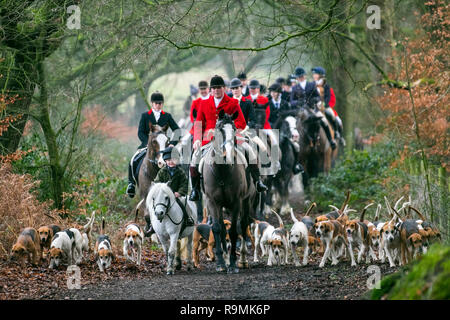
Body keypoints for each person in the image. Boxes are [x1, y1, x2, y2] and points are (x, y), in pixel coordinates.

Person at [189, 75, 267, 201]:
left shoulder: (233, 102)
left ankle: (258, 181)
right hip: (209, 139)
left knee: (250, 151)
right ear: (210, 90)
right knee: (194, 157)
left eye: (219, 87)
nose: (216, 90)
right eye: (213, 88)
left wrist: (231, 132)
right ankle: (195, 189)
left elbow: (241, 122)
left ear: (224, 88)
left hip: (230, 137)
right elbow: (198, 123)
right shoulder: (204, 103)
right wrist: (197, 139)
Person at [126, 91, 180, 198]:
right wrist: (148, 143)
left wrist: (172, 144)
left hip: (164, 147)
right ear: (152, 103)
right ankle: (131, 184)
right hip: (148, 145)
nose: (158, 105)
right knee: (133, 160)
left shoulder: (167, 116)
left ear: (162, 104)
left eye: (160, 103)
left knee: (178, 163)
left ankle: (179, 186)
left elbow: (177, 130)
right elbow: (140, 132)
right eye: (156, 103)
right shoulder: (145, 116)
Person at [290, 67, 336, 150]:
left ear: (304, 76)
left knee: (324, 121)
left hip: (312, 109)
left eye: (302, 76)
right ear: (297, 78)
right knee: (293, 124)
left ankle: (331, 140)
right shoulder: (294, 88)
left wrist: (315, 100)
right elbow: (292, 102)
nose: (300, 78)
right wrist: (298, 102)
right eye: (299, 77)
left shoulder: (311, 85)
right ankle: (293, 143)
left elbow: (317, 97)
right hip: (301, 110)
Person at [153, 147, 194, 225]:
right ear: (165, 161)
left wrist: (179, 192)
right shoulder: (162, 172)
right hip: (164, 195)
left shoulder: (180, 172)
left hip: (176, 195)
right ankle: (152, 223)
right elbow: (157, 182)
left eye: (173, 160)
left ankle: (188, 218)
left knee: (185, 203)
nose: (170, 162)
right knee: (156, 204)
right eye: (168, 160)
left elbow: (184, 184)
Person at [311, 67, 345, 146]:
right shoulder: (311, 84)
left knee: (334, 117)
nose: (314, 75)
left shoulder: (326, 85)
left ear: (320, 75)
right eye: (313, 74)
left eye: (315, 74)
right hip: (314, 107)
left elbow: (328, 97)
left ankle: (337, 133)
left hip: (325, 106)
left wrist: (323, 104)